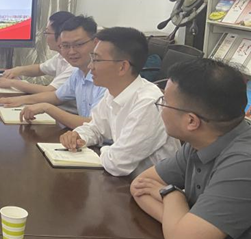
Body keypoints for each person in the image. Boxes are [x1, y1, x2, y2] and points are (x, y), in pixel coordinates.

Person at [130, 58, 251, 239]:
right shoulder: (201, 141)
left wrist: (172, 195)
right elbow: (140, 185)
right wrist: (180, 227)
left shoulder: (244, 162)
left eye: (165, 102)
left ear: (191, 121)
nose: (161, 107)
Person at [59, 27, 180, 177]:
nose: (90, 66)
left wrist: (105, 150)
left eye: (97, 60)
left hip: (150, 185)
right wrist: (78, 136)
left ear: (122, 67)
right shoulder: (113, 92)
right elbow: (96, 128)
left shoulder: (148, 103)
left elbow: (117, 164)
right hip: (125, 181)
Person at [0, 15, 106, 129]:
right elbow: (55, 96)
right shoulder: (78, 73)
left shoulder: (107, 78)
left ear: (95, 43)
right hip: (83, 134)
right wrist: (18, 100)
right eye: (66, 46)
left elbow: (94, 125)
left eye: (79, 44)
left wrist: (46, 107)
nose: (72, 51)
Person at [0, 11, 76, 93]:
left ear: (62, 35)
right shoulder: (61, 57)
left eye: (47, 32)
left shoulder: (74, 64)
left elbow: (49, 91)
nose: (45, 37)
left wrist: (12, 83)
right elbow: (39, 69)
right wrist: (17, 70)